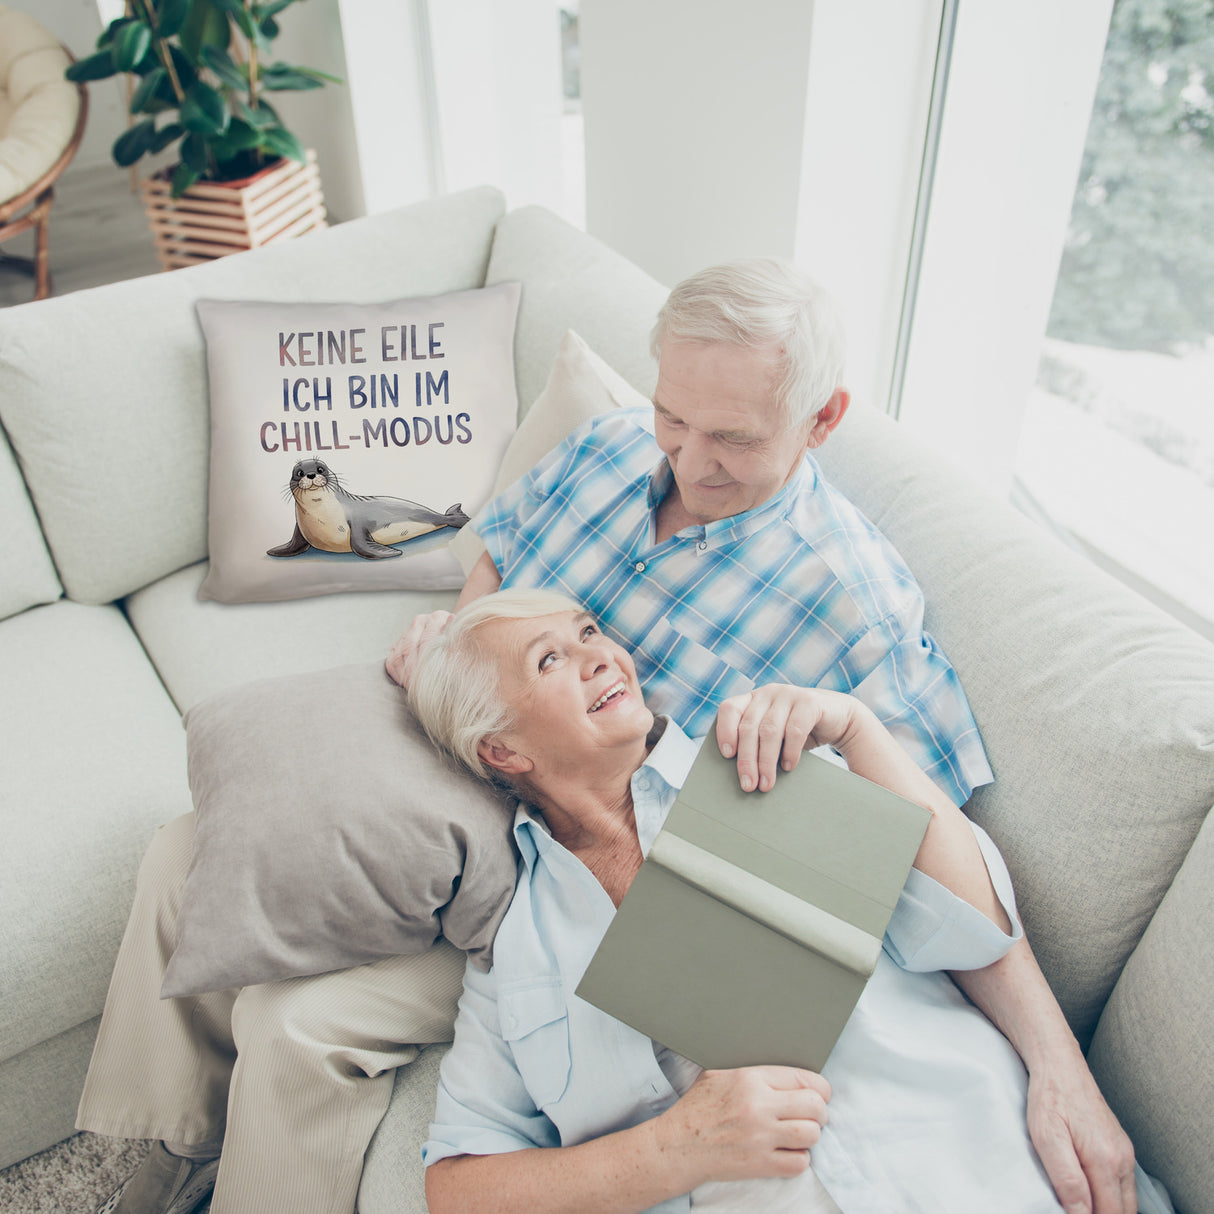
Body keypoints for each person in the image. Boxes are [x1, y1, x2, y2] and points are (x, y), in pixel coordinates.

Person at [388, 259, 1136, 1213]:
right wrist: (462, 659)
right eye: (674, 418)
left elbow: (945, 887)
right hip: (492, 834)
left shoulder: (828, 665)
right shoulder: (608, 450)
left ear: (822, 420)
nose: (689, 463)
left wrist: (1058, 1067)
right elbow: (501, 550)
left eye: (732, 438)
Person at [408, 589, 1160, 1214]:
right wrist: (673, 1149)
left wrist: (859, 730)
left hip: (985, 1167)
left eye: (589, 632)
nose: (601, 655)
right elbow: (458, 1188)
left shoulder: (762, 762)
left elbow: (973, 929)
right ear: (502, 751)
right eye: (550, 659)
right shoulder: (517, 951)